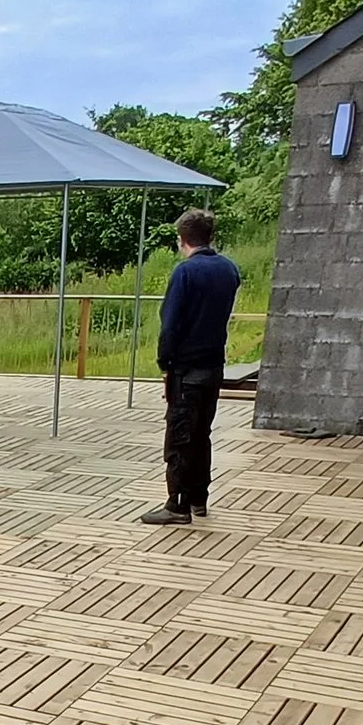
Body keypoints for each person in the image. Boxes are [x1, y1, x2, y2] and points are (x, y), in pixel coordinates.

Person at [139, 207, 241, 524]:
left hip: (186, 370)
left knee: (180, 437)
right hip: (214, 366)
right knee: (201, 434)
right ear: (210, 236)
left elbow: (170, 325)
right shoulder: (229, 270)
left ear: (182, 239)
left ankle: (177, 505)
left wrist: (165, 363)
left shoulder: (185, 273)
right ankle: (199, 498)